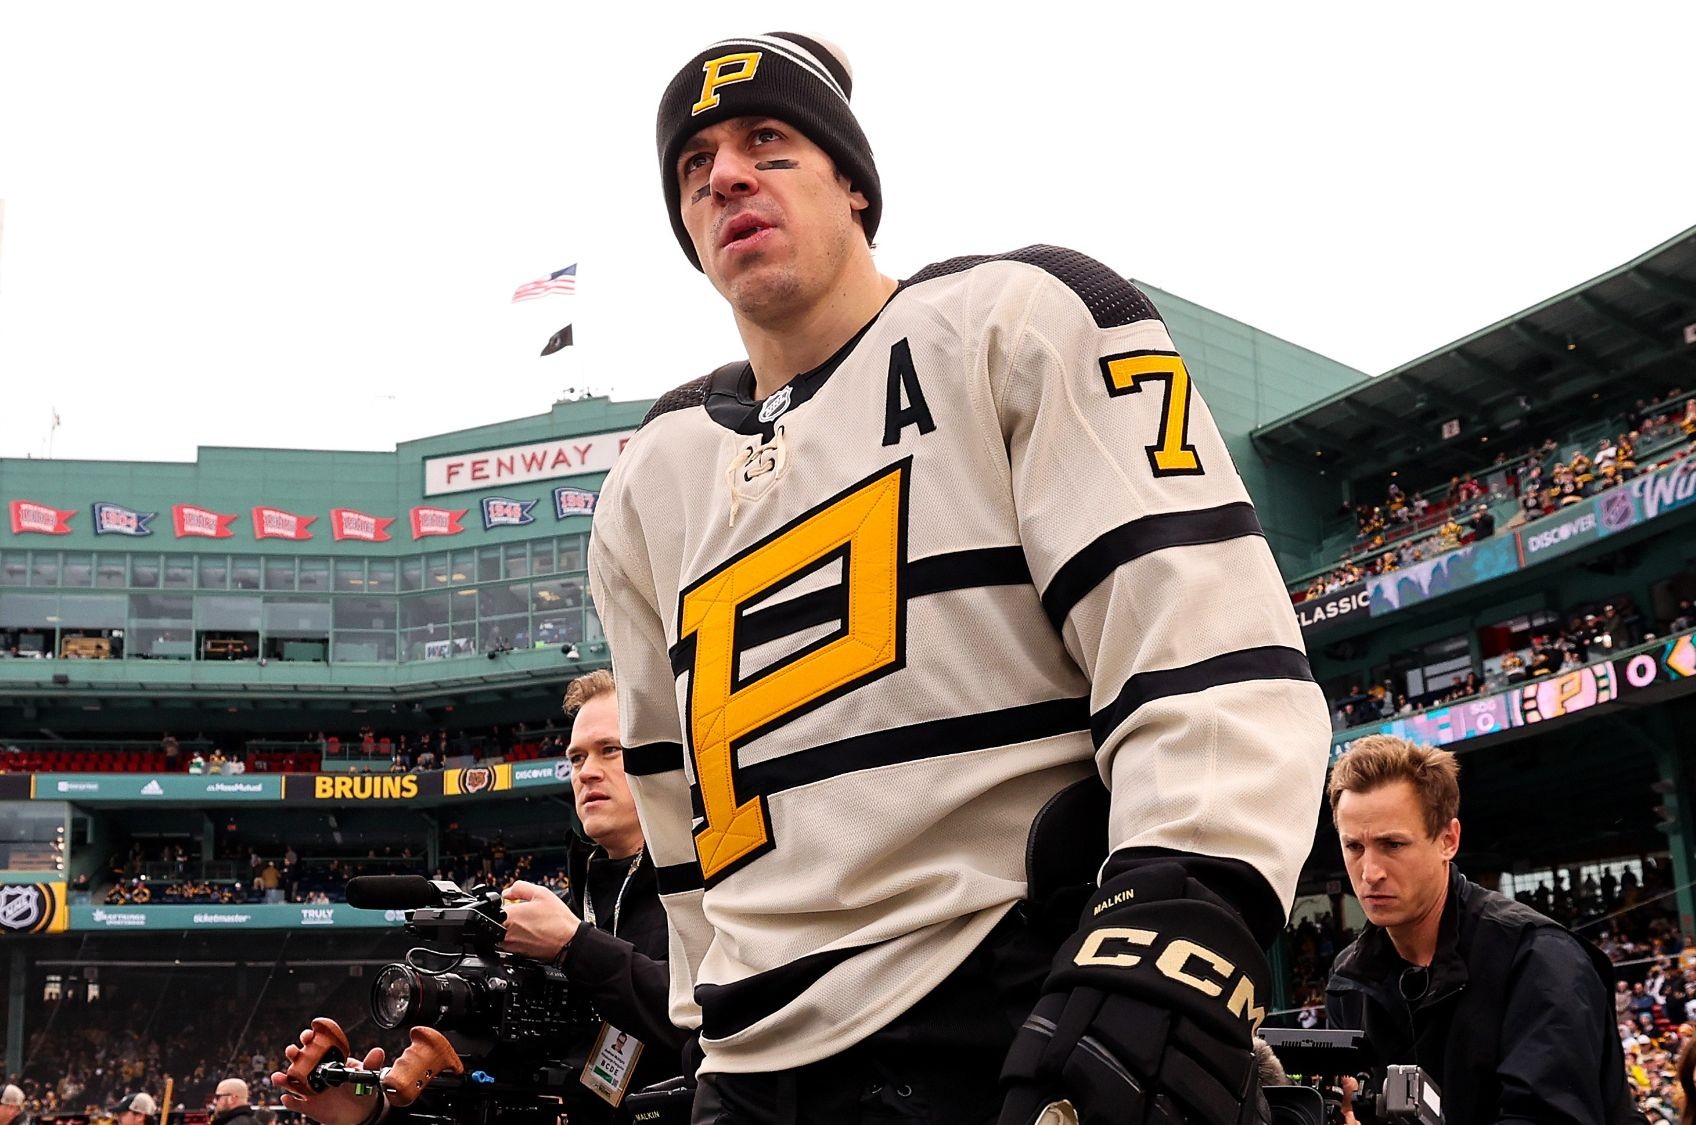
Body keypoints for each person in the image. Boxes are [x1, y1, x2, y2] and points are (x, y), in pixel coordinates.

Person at [587, 30, 1330, 1125]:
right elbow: (671, 800)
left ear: (854, 182)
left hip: (1010, 999)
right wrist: (705, 1024)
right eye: (694, 167)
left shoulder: (1014, 319)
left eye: (767, 142)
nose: (725, 177)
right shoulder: (649, 479)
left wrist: (1179, 915)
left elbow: (1203, 648)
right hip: (756, 1064)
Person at [272, 670, 682, 1125]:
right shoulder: (564, 911)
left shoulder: (705, 893)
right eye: (576, 757)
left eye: (610, 750)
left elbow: (708, 1019)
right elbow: (501, 1080)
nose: (586, 772)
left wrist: (575, 946)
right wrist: (375, 1111)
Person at [1325, 735, 1641, 1124]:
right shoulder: (1348, 980)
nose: (1371, 872)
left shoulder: (1539, 959)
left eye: (1393, 845)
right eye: (1354, 847)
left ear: (1448, 840)